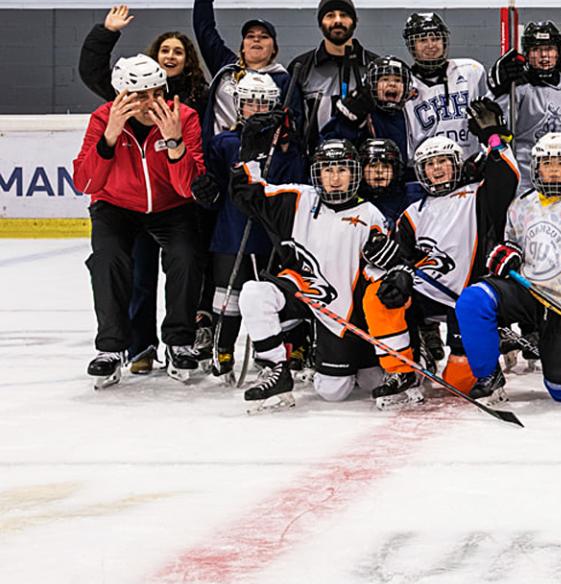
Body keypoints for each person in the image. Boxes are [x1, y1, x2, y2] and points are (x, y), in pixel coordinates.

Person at [231, 133, 416, 412]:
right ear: (317, 173)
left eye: (342, 169)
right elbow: (249, 194)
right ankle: (275, 368)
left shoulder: (370, 215)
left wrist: (398, 271)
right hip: (303, 292)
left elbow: (385, 270)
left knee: (338, 389)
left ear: (355, 173)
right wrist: (248, 158)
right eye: (328, 170)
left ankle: (377, 359)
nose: (335, 178)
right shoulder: (298, 199)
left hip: (346, 314)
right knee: (254, 293)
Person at [456, 132, 561, 403]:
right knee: (474, 300)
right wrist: (508, 254)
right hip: (528, 292)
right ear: (536, 168)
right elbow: (512, 244)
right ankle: (488, 375)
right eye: (547, 164)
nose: (554, 171)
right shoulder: (522, 204)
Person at [74, 54, 207, 386]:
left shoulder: (184, 117)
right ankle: (110, 348)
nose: (150, 103)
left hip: (172, 205)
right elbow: (86, 184)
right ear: (122, 95)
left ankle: (179, 342)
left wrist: (174, 142)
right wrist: (109, 137)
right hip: (116, 206)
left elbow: (188, 187)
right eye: (140, 96)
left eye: (156, 92)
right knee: (108, 260)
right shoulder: (102, 119)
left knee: (187, 256)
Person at [391, 106, 521, 405]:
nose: (436, 169)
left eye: (443, 162)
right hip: (430, 294)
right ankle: (413, 355)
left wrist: (493, 137)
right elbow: (403, 259)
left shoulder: (478, 194)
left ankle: (490, 344)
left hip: (466, 300)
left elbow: (508, 175)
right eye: (429, 164)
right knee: (388, 296)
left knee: (458, 383)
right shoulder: (413, 213)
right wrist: (398, 275)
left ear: (456, 165)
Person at [190, 75, 306, 378]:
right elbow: (214, 188)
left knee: (275, 293)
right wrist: (206, 191)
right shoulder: (225, 142)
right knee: (227, 295)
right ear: (239, 105)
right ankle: (222, 346)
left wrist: (284, 147)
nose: (256, 108)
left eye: (263, 102)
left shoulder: (283, 144)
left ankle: (283, 348)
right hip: (231, 232)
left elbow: (294, 181)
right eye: (250, 102)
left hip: (271, 234)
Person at [192, 0, 289, 137]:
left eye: (264, 36)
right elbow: (204, 29)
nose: (256, 39)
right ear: (243, 47)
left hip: (262, 156)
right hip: (220, 154)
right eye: (250, 36)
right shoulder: (226, 66)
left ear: (274, 49)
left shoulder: (283, 80)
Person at [488, 21, 561, 194]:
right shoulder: (516, 87)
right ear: (526, 54)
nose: (543, 56)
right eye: (536, 50)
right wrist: (496, 90)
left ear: (558, 52)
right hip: (527, 183)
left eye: (549, 49)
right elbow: (495, 127)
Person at [283, 0, 376, 154]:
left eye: (344, 15)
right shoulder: (301, 67)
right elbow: (292, 121)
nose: (338, 21)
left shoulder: (373, 65)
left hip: (364, 163)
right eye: (330, 15)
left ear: (354, 22)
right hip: (315, 163)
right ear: (321, 23)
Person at [400, 12, 488, 159]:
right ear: (412, 46)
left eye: (436, 39)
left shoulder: (471, 71)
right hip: (431, 171)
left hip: (471, 167)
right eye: (422, 40)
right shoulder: (405, 85)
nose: (430, 45)